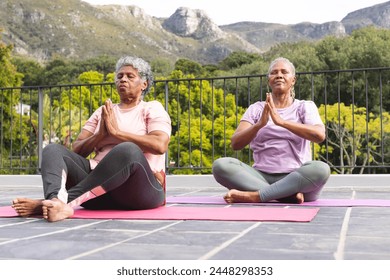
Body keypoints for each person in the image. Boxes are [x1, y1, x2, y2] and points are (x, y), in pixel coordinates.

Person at [12, 55, 172, 222]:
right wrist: (100, 135)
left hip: (138, 191)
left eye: (130, 76)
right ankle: (55, 202)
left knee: (127, 150)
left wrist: (117, 134)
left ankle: (59, 202)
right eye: (119, 76)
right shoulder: (103, 111)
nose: (123, 79)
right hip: (98, 193)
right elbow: (77, 150)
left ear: (144, 84)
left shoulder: (152, 108)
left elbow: (160, 145)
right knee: (52, 150)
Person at [212, 57, 330, 204]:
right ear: (269, 81)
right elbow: (236, 143)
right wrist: (259, 125)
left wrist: (282, 122)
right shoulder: (256, 109)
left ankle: (256, 196)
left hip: (297, 177)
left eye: (284, 72)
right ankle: (285, 196)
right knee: (220, 166)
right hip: (259, 176)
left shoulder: (305, 107)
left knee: (321, 169)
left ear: (293, 80)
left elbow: (319, 135)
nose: (279, 75)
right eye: (274, 72)